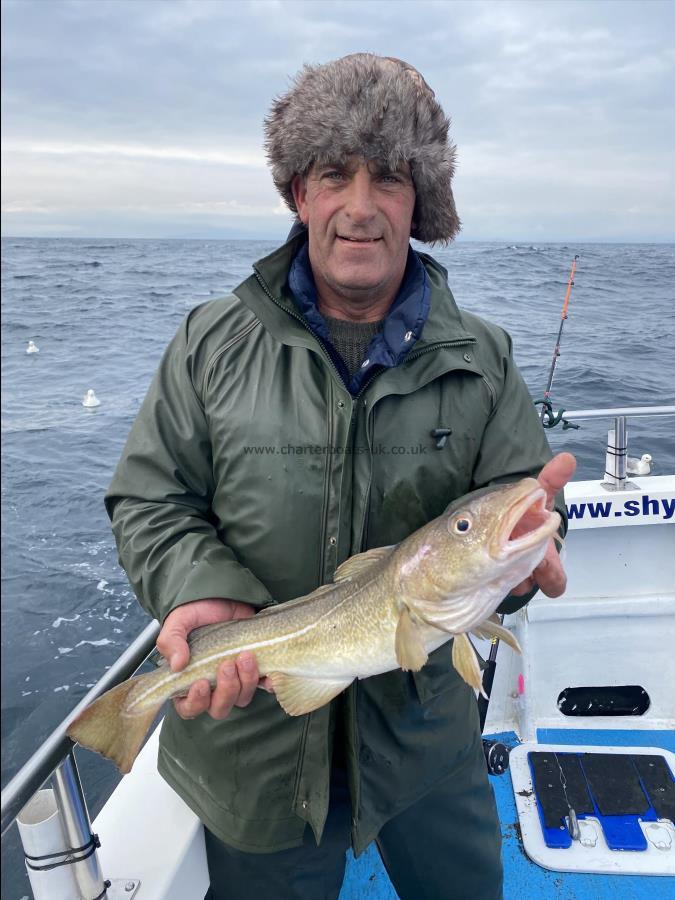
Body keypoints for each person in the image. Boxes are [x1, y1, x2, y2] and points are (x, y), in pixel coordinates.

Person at [105, 54, 574, 900]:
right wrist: (200, 589)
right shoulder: (210, 342)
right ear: (297, 193)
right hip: (254, 756)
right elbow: (149, 496)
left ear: (419, 203)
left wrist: (523, 566)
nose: (360, 208)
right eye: (333, 174)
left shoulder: (484, 357)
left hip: (428, 746)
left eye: (389, 178)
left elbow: (517, 516)